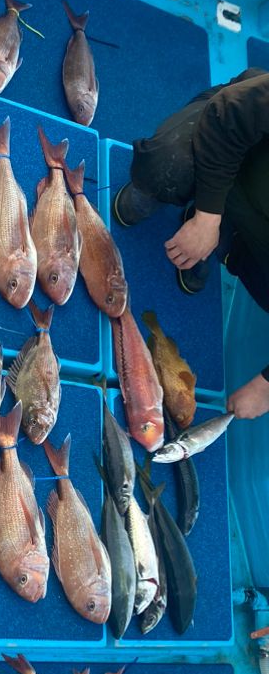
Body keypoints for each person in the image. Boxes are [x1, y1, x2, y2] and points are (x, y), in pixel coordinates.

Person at [113, 67, 269, 421]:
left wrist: (266, 386)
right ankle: (168, 198)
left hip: (255, 209)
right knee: (165, 165)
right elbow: (229, 114)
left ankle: (221, 243)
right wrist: (207, 216)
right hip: (228, 132)